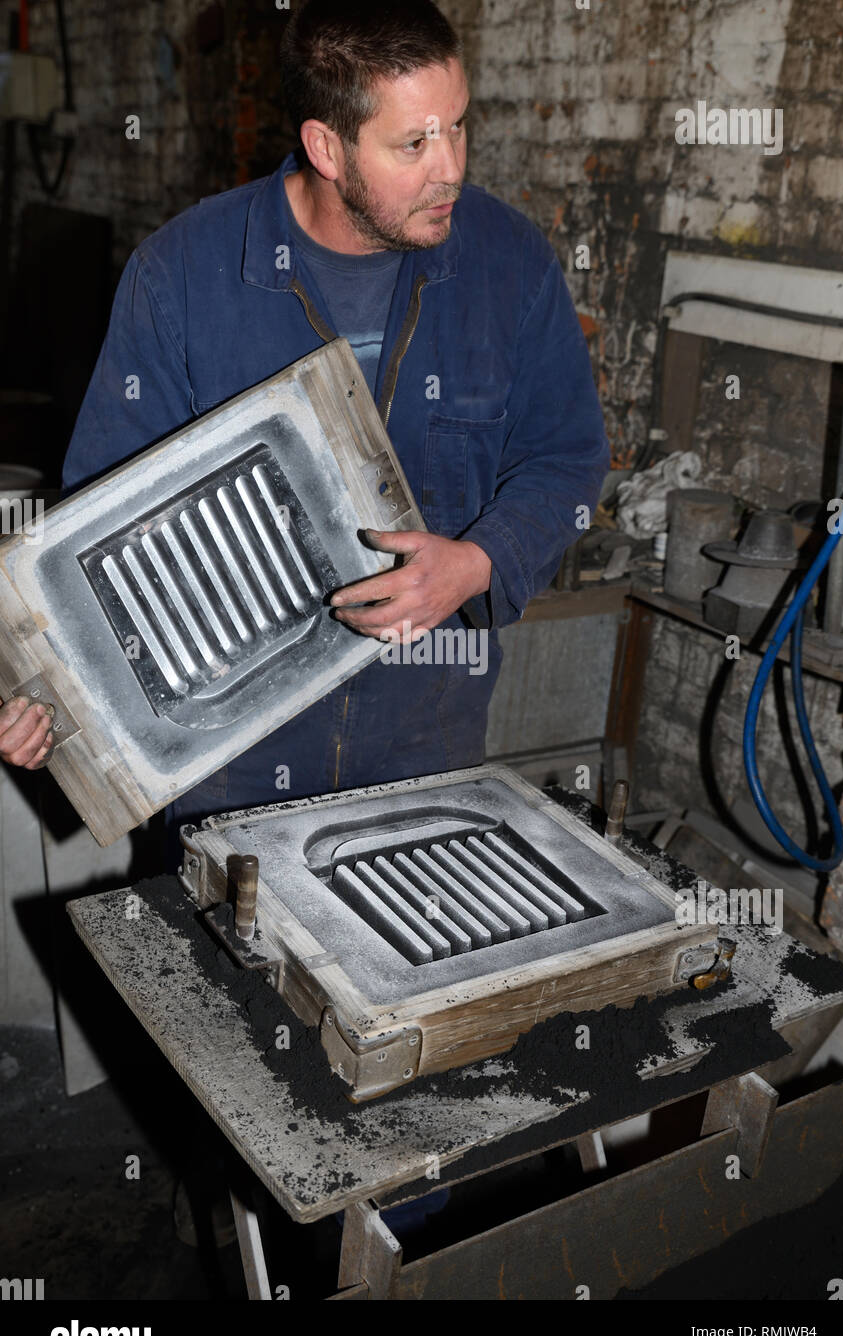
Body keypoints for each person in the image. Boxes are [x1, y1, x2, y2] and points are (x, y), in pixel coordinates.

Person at [0, 0, 609, 847]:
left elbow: (566, 456)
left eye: (458, 128)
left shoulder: (509, 265)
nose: (451, 171)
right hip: (224, 755)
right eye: (413, 144)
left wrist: (476, 564)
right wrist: (42, 695)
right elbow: (95, 529)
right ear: (326, 146)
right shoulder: (182, 275)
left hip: (423, 728)